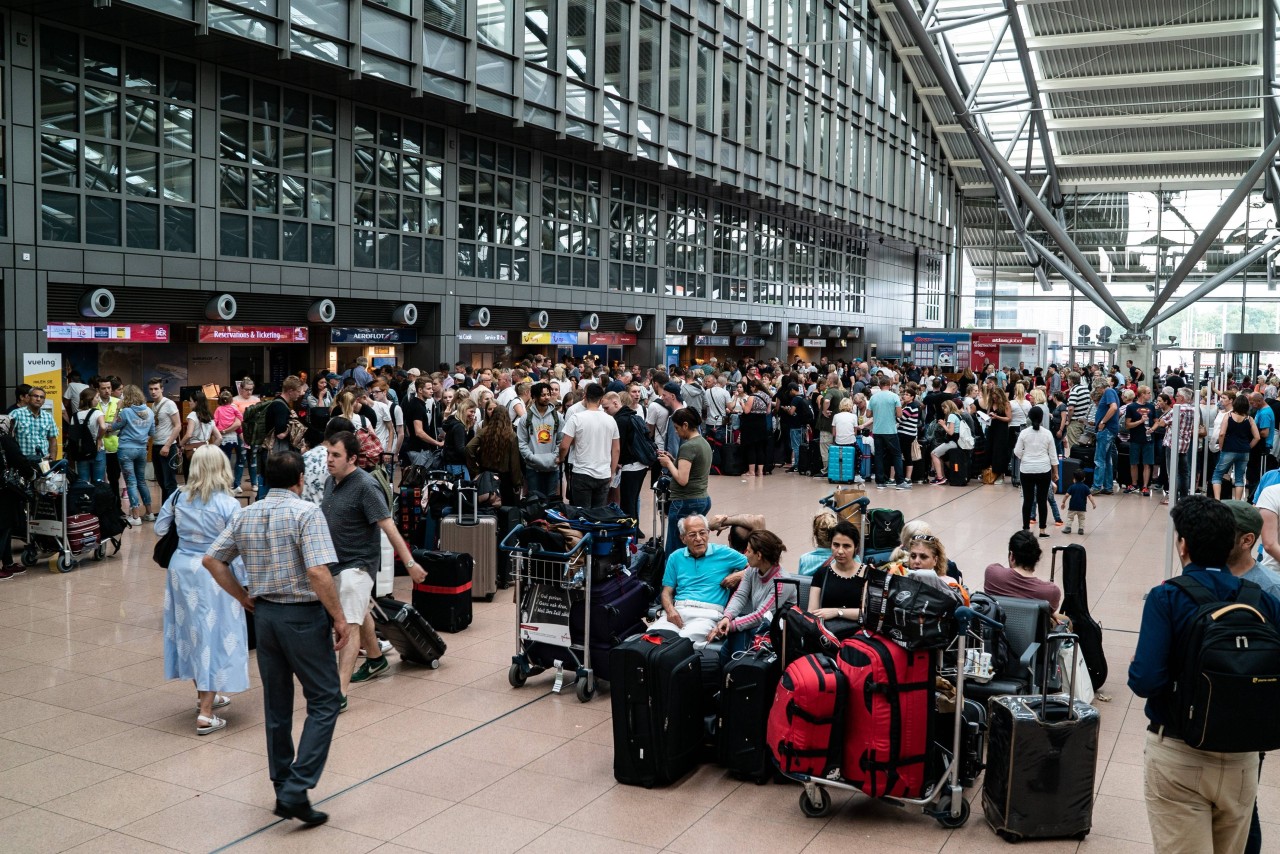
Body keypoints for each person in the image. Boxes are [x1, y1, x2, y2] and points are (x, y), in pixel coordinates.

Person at [203, 450, 349, 827]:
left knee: (278, 703)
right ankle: (297, 787)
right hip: (301, 616)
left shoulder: (246, 514)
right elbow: (318, 573)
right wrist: (339, 617)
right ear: (300, 478)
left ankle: (282, 781)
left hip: (265, 616)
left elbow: (213, 560)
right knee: (325, 698)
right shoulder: (306, 513)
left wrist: (242, 596)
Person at [1128, 495, 1280, 854]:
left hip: (1180, 752)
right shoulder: (1261, 599)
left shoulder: (1167, 597)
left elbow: (1146, 680)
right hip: (1243, 755)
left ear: (1183, 544)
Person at [320, 432, 423, 708]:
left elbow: (389, 527)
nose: (329, 460)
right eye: (328, 454)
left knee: (349, 624)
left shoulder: (366, 486)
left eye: (336, 455)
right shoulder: (331, 482)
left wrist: (410, 564)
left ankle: (339, 693)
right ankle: (377, 660)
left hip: (358, 565)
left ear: (352, 458)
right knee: (360, 610)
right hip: (334, 564)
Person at [157, 446, 248, 735]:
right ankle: (206, 713)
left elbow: (161, 528)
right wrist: (245, 585)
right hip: (214, 572)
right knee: (214, 634)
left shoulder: (177, 496)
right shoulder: (228, 503)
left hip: (181, 568)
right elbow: (239, 547)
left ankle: (205, 696)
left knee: (191, 632)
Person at [649, 514, 749, 646]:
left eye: (702, 533)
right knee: (650, 640)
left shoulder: (724, 553)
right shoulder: (675, 557)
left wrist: (740, 574)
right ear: (683, 538)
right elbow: (666, 592)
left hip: (708, 614)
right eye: (692, 535)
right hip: (679, 610)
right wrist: (670, 610)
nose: (699, 539)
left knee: (678, 646)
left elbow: (759, 565)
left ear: (708, 533)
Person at [708, 529, 796, 654]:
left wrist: (730, 626)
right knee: (730, 645)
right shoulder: (752, 570)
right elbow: (740, 595)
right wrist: (727, 617)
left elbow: (760, 616)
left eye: (748, 551)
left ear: (759, 555)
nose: (745, 554)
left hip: (775, 634)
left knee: (736, 641)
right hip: (758, 627)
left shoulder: (782, 583)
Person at [658, 408, 712, 556]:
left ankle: (672, 577)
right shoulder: (703, 442)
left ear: (685, 425)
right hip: (702, 498)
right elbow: (692, 470)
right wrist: (674, 461)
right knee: (694, 544)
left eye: (677, 428)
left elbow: (682, 479)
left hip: (685, 500)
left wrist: (668, 464)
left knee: (675, 547)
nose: (676, 432)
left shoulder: (688, 446)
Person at [557, 383, 619, 508]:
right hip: (603, 474)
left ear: (585, 396)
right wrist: (611, 473)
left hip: (582, 473)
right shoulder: (610, 420)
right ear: (601, 400)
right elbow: (616, 449)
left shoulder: (576, 418)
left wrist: (561, 458)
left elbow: (564, 445)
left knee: (582, 514)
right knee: (598, 514)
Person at [982, 530, 1062, 612]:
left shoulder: (992, 573)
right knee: (1066, 621)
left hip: (998, 623)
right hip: (1031, 624)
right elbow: (1049, 614)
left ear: (1012, 556)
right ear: (1036, 558)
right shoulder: (1051, 592)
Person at [111, 385, 155, 526]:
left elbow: (113, 426)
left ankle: (135, 516)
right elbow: (152, 432)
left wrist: (118, 409)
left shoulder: (126, 412)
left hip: (126, 451)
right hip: (142, 450)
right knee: (141, 481)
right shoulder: (149, 411)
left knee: (131, 482)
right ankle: (149, 513)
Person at [806, 520, 864, 625]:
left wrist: (837, 612)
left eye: (846, 546)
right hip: (827, 635)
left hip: (857, 636)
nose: (840, 551)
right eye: (836, 545)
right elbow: (812, 613)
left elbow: (867, 614)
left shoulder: (866, 573)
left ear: (856, 547)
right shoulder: (822, 573)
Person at [466, 405, 523, 506]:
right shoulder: (511, 435)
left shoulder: (484, 431)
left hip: (486, 475)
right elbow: (514, 462)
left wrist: (475, 469)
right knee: (506, 508)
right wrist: (517, 483)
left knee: (487, 507)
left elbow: (469, 447)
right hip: (505, 479)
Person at [1014, 406, 1057, 538]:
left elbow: (1016, 451)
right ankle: (1042, 530)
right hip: (1044, 469)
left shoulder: (1024, 433)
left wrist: (1026, 457)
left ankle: (1026, 528)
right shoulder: (1047, 434)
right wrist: (1055, 472)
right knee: (1042, 500)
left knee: (1027, 500)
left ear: (1030, 418)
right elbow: (1053, 455)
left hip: (1026, 470)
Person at [0, 423, 34, 578]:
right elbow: (18, 459)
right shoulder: (5, 439)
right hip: (4, 489)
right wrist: (31, 474)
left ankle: (7, 563)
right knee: (4, 526)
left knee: (5, 528)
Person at [517, 381, 562, 498]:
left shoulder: (558, 417)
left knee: (551, 500)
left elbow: (561, 441)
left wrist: (555, 457)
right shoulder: (525, 418)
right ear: (535, 397)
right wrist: (532, 458)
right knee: (535, 501)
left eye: (548, 394)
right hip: (533, 468)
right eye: (543, 395)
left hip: (552, 468)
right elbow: (522, 443)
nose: (547, 397)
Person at [1212, 392, 1258, 500]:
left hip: (1229, 449)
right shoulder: (1249, 419)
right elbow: (1257, 437)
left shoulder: (1228, 416)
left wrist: (1222, 446)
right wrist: (1249, 447)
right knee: (1239, 478)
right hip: (1244, 451)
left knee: (1217, 475)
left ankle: (1217, 500)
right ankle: (1237, 502)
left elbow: (1222, 433)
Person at [867, 376, 908, 489]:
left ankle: (880, 482)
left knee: (879, 456)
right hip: (890, 430)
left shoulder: (873, 398)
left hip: (877, 431)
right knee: (896, 455)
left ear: (879, 385)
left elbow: (868, 414)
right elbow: (899, 415)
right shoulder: (894, 396)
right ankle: (900, 482)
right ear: (890, 385)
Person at [148, 379, 181, 502]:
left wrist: (167, 445)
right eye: (151, 389)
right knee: (161, 481)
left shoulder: (169, 404)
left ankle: (172, 510)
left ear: (162, 389)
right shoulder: (153, 405)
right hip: (156, 445)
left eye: (156, 388)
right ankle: (165, 509)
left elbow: (178, 426)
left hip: (167, 446)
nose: (153, 391)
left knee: (169, 482)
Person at [180, 389, 222, 475]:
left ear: (196, 402)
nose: (189, 403)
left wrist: (180, 444)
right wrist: (211, 448)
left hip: (193, 451)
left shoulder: (192, 415)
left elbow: (188, 435)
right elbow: (219, 438)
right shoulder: (209, 417)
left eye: (190, 401)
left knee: (191, 478)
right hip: (205, 450)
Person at [11, 386, 58, 463]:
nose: (38, 399)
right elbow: (8, 439)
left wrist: (53, 461)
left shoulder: (48, 417)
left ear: (44, 401)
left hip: (44, 461)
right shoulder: (16, 414)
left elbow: (52, 440)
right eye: (35, 396)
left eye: (42, 397)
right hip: (23, 461)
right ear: (28, 397)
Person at [1124, 386, 1156, 496]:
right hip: (1135, 439)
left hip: (1148, 439)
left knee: (1147, 463)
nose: (1149, 395)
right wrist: (1140, 421)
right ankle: (1134, 484)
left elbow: (1157, 421)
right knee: (1134, 462)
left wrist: (1152, 429)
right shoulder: (1131, 407)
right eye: (1148, 393)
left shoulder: (1151, 407)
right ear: (1142, 394)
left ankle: (1145, 486)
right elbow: (1127, 424)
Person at [1092, 379, 1121, 495]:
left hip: (1106, 430)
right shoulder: (1112, 392)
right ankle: (1108, 486)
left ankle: (1096, 486)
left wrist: (1103, 421)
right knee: (1107, 460)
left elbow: (1113, 408)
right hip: (1110, 429)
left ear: (1099, 387)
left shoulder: (1108, 392)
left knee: (1099, 459)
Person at [231, 378, 260, 493]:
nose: (249, 392)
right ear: (241, 389)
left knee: (253, 458)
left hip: (254, 433)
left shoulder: (256, 400)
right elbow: (234, 418)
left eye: (251, 390)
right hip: (241, 432)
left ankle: (254, 483)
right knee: (241, 458)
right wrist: (240, 433)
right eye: (247, 390)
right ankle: (236, 484)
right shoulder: (234, 400)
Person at [71, 387, 106, 483]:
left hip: (81, 451)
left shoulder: (75, 416)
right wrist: (99, 438)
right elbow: (103, 427)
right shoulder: (97, 412)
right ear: (91, 399)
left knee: (83, 481)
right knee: (98, 481)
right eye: (97, 397)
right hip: (97, 449)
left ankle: (86, 497)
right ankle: (98, 497)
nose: (98, 400)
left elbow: (74, 434)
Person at [929, 399, 963, 484]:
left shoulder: (951, 416)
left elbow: (950, 432)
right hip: (958, 441)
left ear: (948, 407)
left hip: (952, 441)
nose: (943, 410)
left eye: (944, 408)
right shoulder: (958, 415)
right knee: (939, 455)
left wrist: (943, 425)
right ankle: (942, 476)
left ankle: (940, 477)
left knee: (933, 453)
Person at [441, 397, 476, 480]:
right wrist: (473, 458)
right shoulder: (459, 427)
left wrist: (471, 429)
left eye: (474, 412)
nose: (473, 414)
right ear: (464, 410)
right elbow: (460, 449)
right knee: (465, 491)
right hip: (457, 466)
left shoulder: (455, 424)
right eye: (471, 411)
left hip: (452, 464)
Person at [214, 390, 244, 484]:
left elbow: (215, 421)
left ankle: (225, 481)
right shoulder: (233, 408)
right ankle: (231, 481)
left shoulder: (218, 409)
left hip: (223, 437)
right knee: (230, 459)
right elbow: (240, 417)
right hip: (233, 437)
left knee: (223, 461)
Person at [796, 509, 838, 576]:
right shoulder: (849, 559)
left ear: (815, 534)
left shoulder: (805, 559)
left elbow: (801, 583)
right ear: (836, 534)